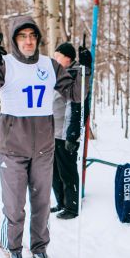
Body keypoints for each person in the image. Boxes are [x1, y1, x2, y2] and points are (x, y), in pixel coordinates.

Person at [0, 16, 91, 258]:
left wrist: (85, 70)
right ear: (15, 39)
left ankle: (39, 247)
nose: (28, 41)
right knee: (14, 205)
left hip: (43, 147)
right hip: (12, 147)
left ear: (37, 39)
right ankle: (14, 248)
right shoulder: (5, 64)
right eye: (22, 36)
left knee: (41, 204)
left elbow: (75, 94)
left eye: (32, 36)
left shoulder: (50, 65)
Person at [51, 42, 91, 220]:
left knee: (67, 171)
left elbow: (79, 106)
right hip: (52, 131)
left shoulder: (77, 76)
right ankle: (61, 202)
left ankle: (72, 206)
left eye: (58, 55)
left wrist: (73, 134)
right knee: (54, 171)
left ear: (67, 58)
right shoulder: (56, 74)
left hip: (66, 132)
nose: (55, 58)